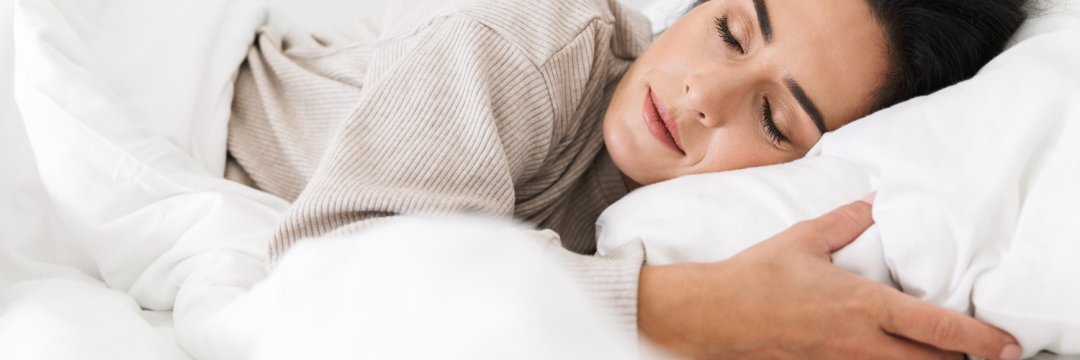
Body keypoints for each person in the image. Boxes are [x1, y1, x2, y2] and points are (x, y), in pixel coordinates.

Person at [221, 0, 1029, 357]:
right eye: (729, 31)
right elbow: (337, 266)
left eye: (777, 118)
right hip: (206, 121)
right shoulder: (532, 34)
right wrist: (706, 309)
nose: (703, 97)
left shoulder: (711, 222)